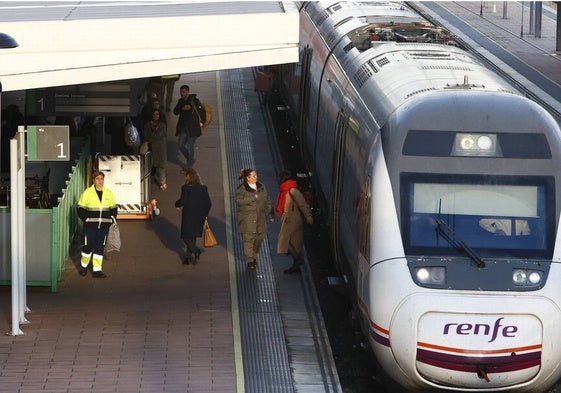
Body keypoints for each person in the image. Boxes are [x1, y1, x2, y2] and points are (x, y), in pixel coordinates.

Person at [77, 171, 118, 278]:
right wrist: (85, 219)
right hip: (90, 226)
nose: (100, 181)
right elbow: (80, 208)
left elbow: (113, 208)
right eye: (97, 179)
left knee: (100, 247)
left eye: (101, 179)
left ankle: (97, 270)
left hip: (104, 226)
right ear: (93, 181)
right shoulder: (87, 193)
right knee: (87, 247)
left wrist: (111, 219)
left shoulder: (109, 193)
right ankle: (84, 267)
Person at [235, 168, 274, 270]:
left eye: (256, 175)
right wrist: (253, 198)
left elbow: (267, 200)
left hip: (260, 219)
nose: (256, 177)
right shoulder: (241, 189)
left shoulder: (261, 187)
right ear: (247, 178)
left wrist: (271, 212)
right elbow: (239, 201)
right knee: (248, 240)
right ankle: (250, 260)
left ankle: (254, 254)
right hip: (247, 220)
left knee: (260, 238)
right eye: (253, 176)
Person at [275, 170, 313, 274]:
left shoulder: (292, 190)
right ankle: (296, 264)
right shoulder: (285, 190)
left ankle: (298, 261)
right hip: (288, 220)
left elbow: (302, 204)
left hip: (294, 220)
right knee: (290, 243)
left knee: (287, 242)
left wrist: (308, 216)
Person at [175, 168, 212, 265]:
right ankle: (187, 258)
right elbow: (208, 203)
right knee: (192, 236)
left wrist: (176, 204)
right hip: (200, 216)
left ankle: (196, 250)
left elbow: (182, 201)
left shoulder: (186, 188)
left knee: (185, 236)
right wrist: (205, 215)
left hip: (189, 215)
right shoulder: (203, 188)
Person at [173, 84, 206, 166]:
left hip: (193, 127)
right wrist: (181, 108)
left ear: (188, 92)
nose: (182, 94)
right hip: (184, 127)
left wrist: (202, 122)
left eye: (183, 92)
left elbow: (202, 111)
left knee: (190, 146)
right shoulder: (180, 101)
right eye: (181, 92)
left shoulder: (194, 101)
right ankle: (190, 158)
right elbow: (175, 112)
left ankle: (189, 164)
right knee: (180, 145)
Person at [142, 108, 168, 190]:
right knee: (151, 164)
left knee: (161, 166)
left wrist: (150, 138)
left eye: (157, 114)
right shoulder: (147, 125)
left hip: (160, 148)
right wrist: (151, 138)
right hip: (151, 148)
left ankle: (163, 182)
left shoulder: (162, 125)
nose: (155, 116)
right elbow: (145, 135)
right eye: (154, 114)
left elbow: (160, 135)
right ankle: (152, 177)